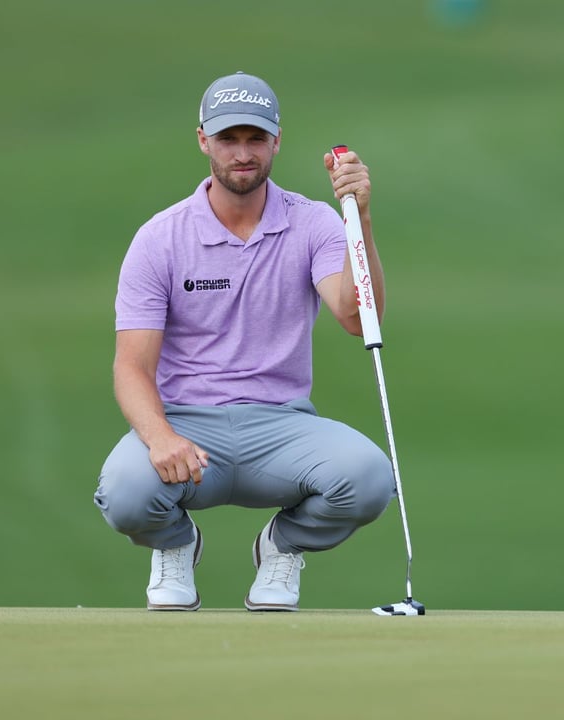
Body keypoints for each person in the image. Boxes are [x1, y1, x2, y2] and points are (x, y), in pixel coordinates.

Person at [94, 72, 396, 611]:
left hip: (281, 428)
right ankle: (175, 545)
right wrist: (160, 437)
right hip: (186, 429)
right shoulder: (160, 237)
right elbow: (131, 367)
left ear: (276, 140)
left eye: (255, 139)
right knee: (125, 494)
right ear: (203, 140)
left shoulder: (313, 223)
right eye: (228, 139)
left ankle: (282, 547)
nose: (242, 153)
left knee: (370, 478)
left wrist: (360, 219)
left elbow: (357, 316)